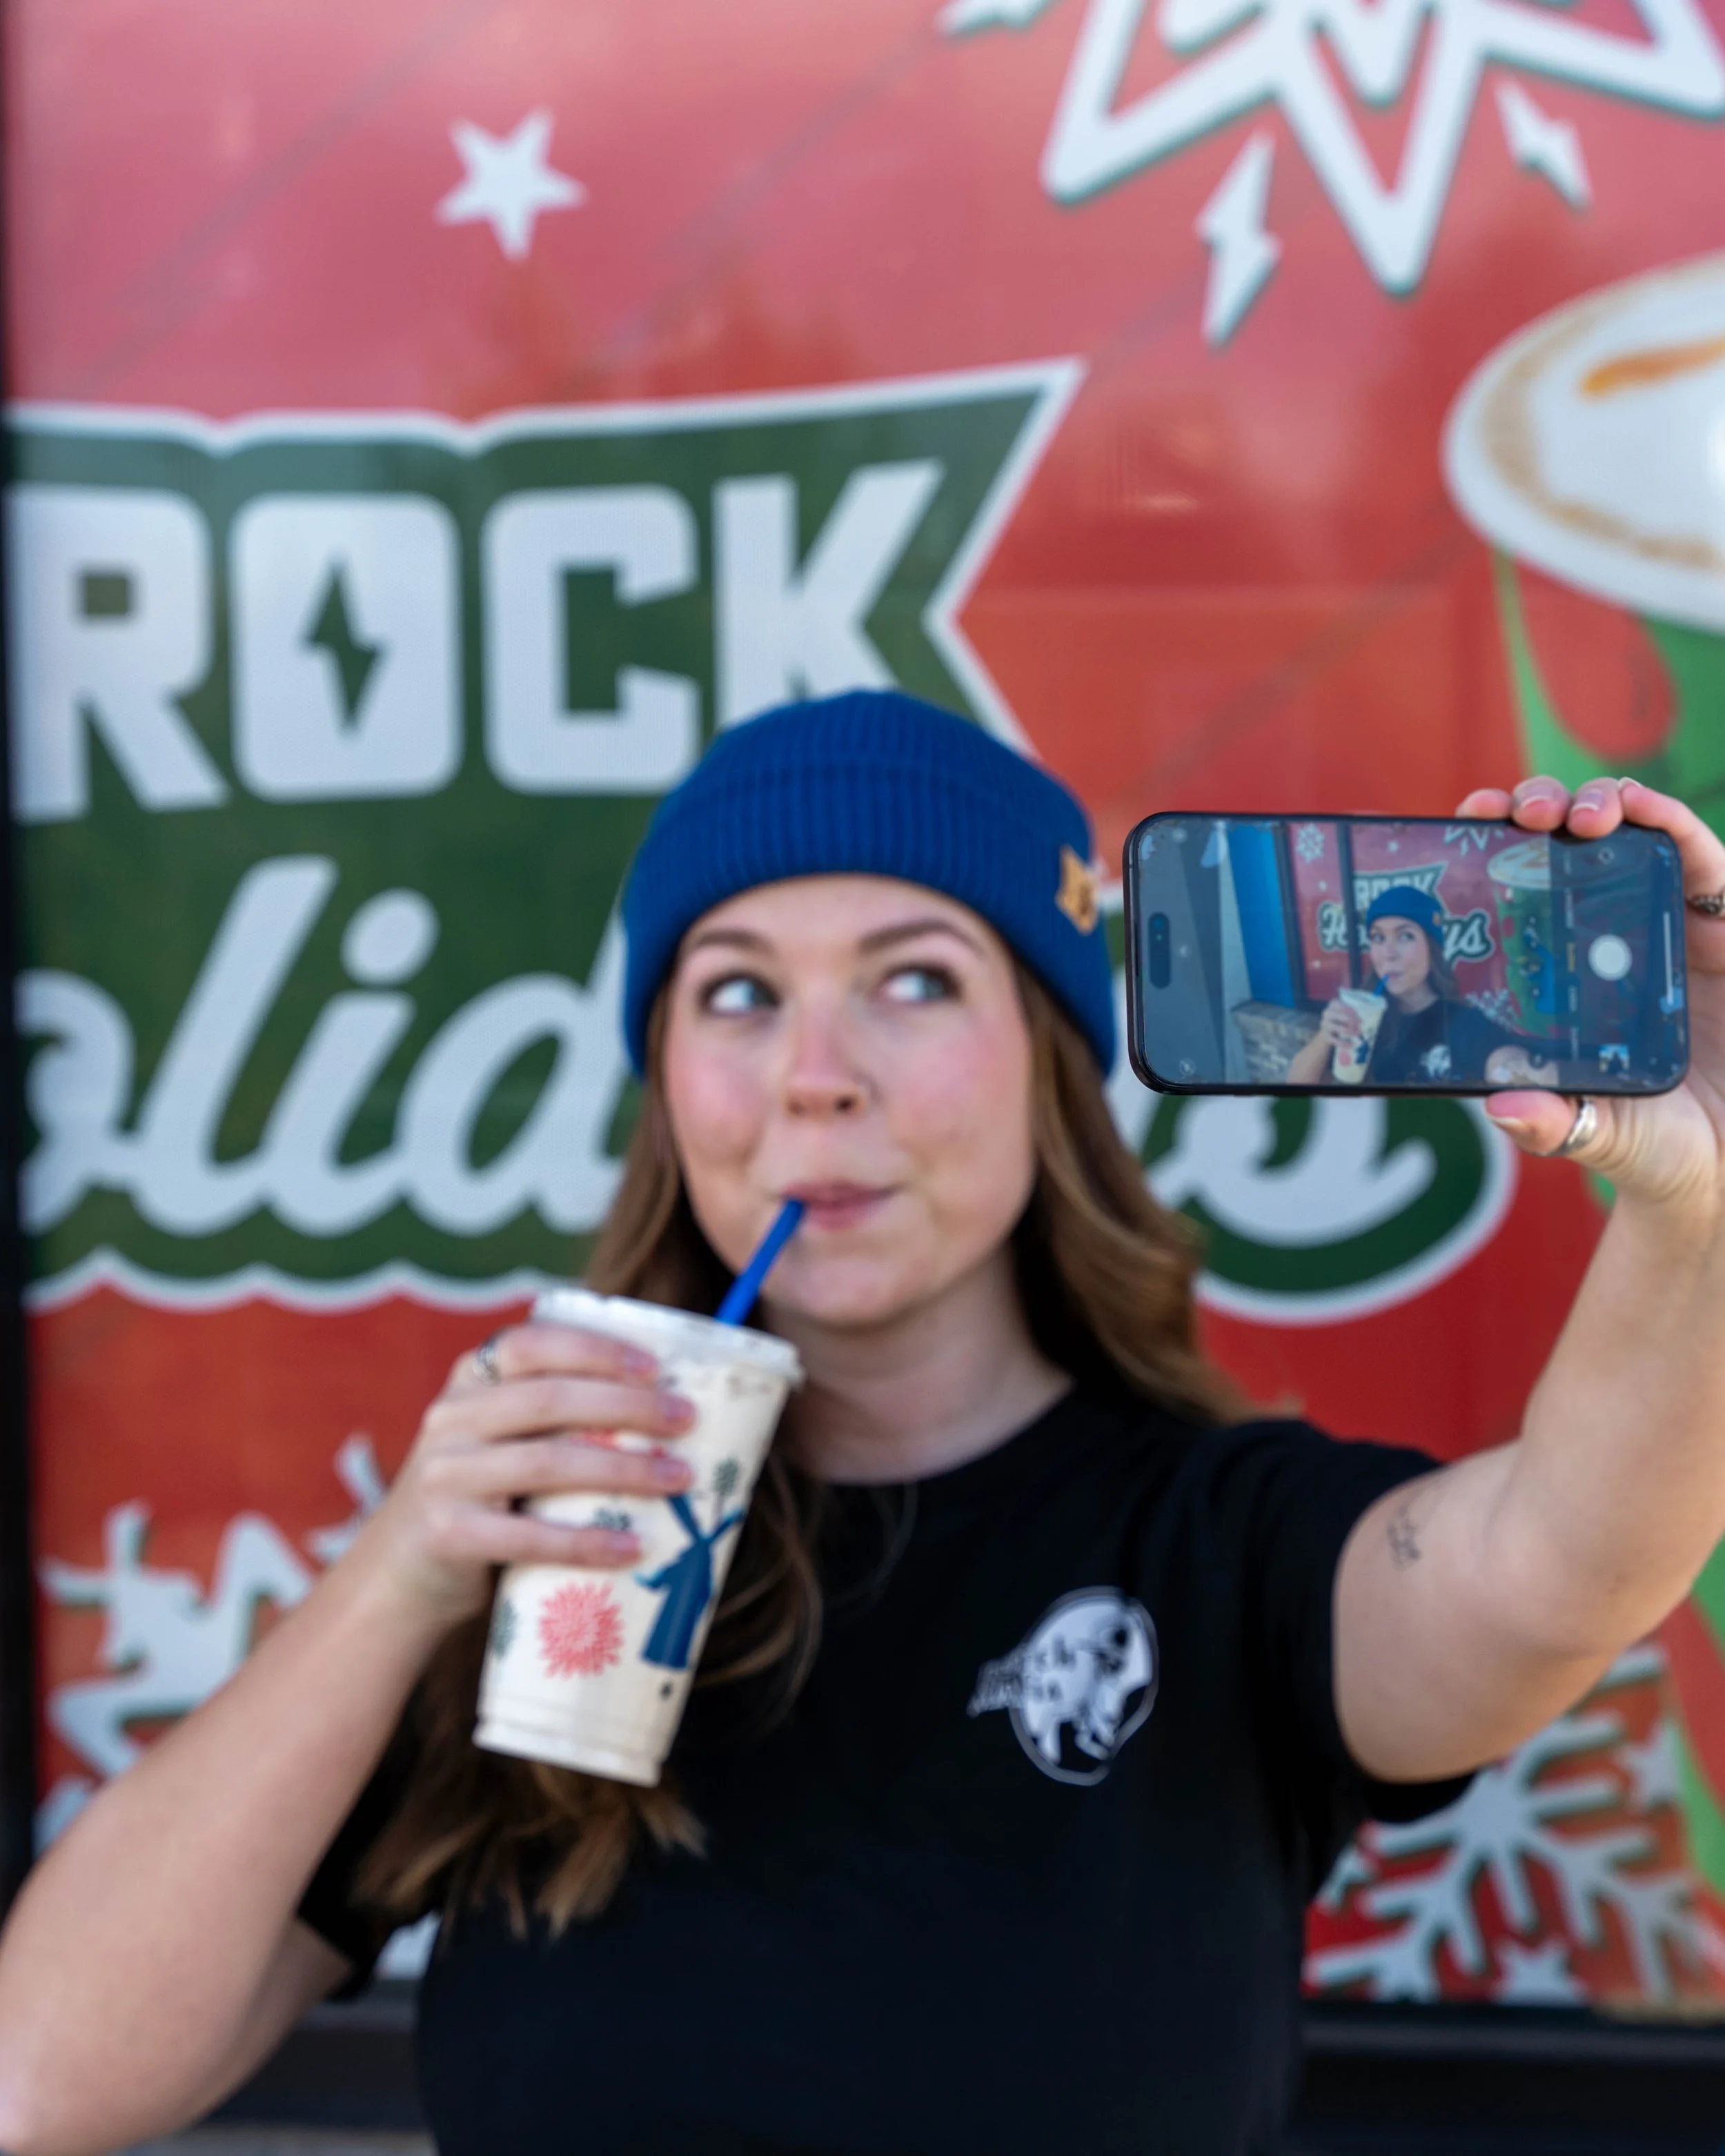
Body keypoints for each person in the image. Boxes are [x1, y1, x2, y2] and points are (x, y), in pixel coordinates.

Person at [4, 693, 1725, 2156]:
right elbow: (38, 2077)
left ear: (1046, 1061)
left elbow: (1558, 1563)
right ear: (664, 1080)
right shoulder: (551, 1544)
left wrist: (1703, 1206)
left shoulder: (1223, 1542)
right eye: (737, 991)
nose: (815, 1070)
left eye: (912, 980)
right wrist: (400, 1575)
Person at [1286, 884, 1558, 1087]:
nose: (1388, 953)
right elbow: (1296, 1084)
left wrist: (1521, 1070)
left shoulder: (1462, 1022)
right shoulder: (1360, 1017)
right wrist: (1325, 1037)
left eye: (1405, 936)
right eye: (1378, 938)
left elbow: (1502, 1061)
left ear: (1432, 948)